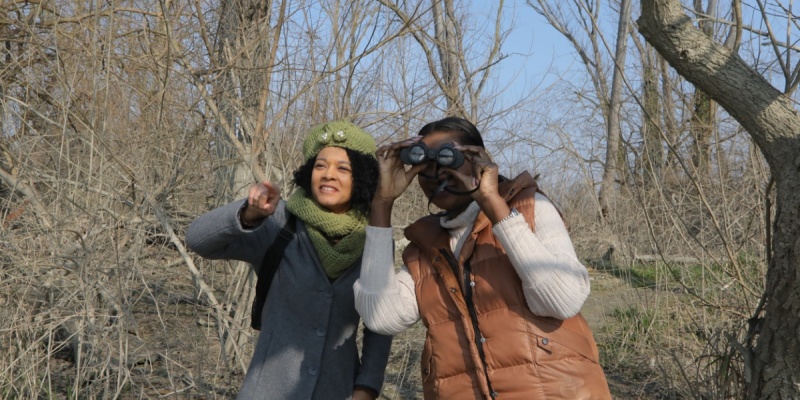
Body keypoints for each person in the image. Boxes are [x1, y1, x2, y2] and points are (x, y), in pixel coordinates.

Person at [353, 117, 611, 399]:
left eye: (449, 158)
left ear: (478, 159)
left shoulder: (528, 207)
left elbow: (562, 300)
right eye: (426, 165)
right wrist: (381, 203)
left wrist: (492, 203)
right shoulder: (424, 246)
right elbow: (381, 317)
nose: (438, 172)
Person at [185, 120, 393, 400]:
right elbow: (197, 239)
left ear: (363, 178)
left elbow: (379, 324)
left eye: (343, 168)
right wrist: (248, 214)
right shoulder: (279, 222)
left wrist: (366, 388)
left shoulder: (375, 240)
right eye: (320, 165)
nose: (328, 174)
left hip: (337, 389)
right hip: (268, 390)